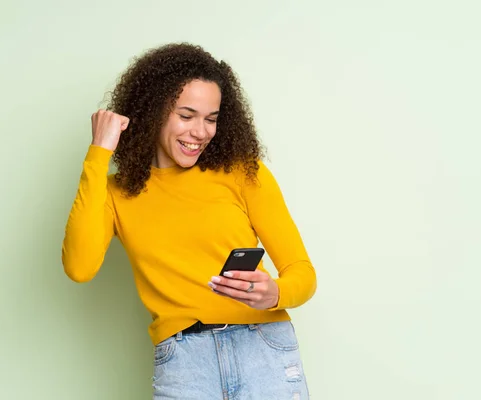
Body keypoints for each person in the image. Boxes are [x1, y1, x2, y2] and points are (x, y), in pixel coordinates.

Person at [61, 42, 317, 399]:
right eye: (186, 115)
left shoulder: (244, 173)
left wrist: (275, 292)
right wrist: (99, 153)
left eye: (211, 119)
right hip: (184, 362)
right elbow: (79, 267)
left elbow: (302, 272)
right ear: (153, 112)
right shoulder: (116, 194)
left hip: (264, 350)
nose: (201, 132)